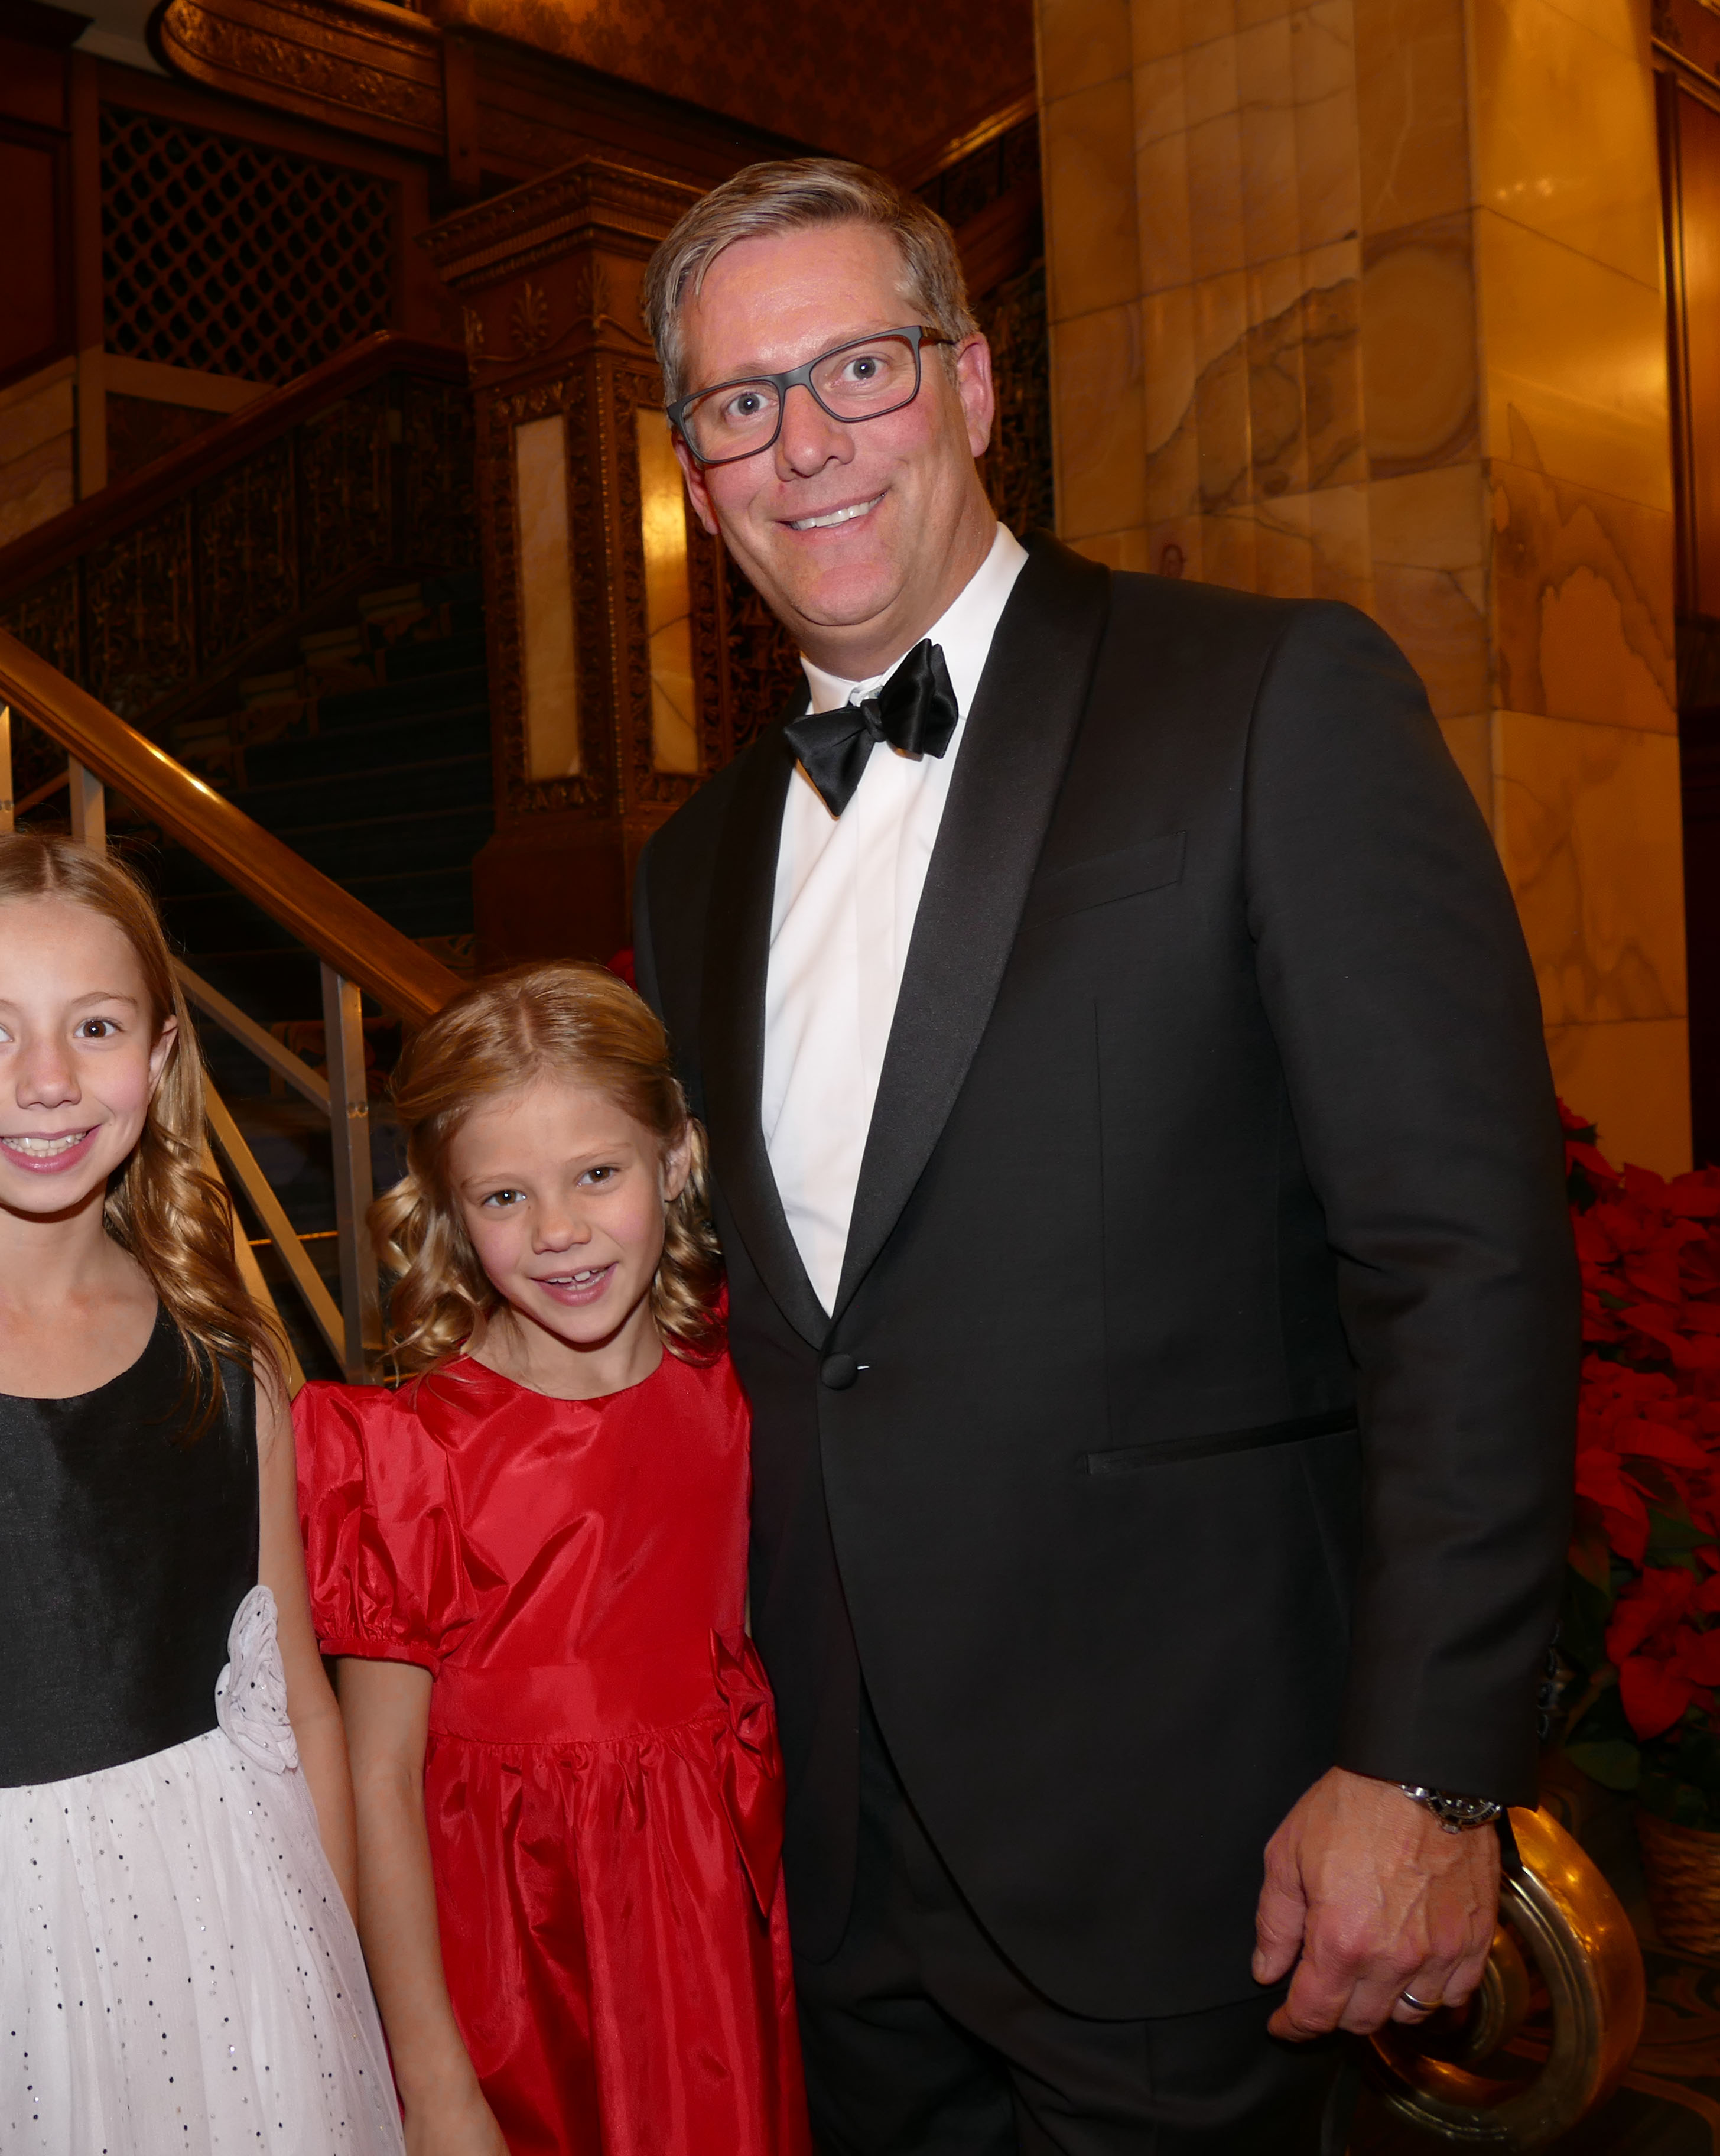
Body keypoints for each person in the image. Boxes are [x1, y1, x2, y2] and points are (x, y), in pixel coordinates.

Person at [627, 158, 1578, 2149]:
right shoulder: (689, 865)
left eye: (858, 369)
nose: (802, 443)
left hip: (1196, 1844)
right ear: (695, 467)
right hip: (839, 1865)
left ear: (975, 385)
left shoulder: (1261, 699)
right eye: (737, 402)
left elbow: (1461, 1257)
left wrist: (1424, 1769)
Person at [0, 831, 402, 2156]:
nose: (51, 1082)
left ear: (164, 1059)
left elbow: (297, 1700)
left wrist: (328, 1993)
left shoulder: (226, 1348)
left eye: (97, 1026)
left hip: (247, 1959)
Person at [294, 962, 809, 2156]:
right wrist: (436, 2086)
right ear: (443, 1208)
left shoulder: (739, 1383)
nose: (560, 1231)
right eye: (503, 1197)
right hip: (515, 1957)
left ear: (676, 1158)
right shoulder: (405, 1453)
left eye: (596, 1174)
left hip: (713, 1925)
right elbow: (378, 1780)